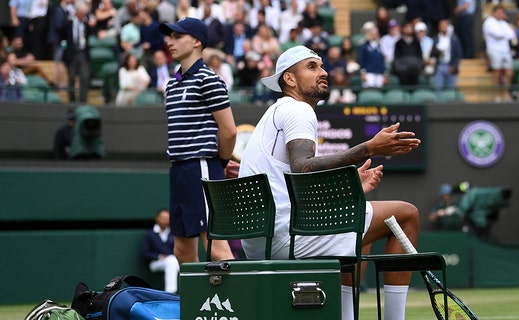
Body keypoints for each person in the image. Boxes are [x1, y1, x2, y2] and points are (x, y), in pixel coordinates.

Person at [238, 45, 422, 320]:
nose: (323, 72)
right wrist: (370, 147)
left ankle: (347, 317)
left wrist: (348, 187)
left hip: (258, 239)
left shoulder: (275, 113)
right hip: (283, 237)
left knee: (361, 226)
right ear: (289, 79)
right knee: (407, 214)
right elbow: (302, 169)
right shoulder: (298, 111)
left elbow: (294, 184)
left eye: (322, 66)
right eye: (312, 67)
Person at [159, 17, 237, 264]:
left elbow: (229, 131)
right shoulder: (172, 83)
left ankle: (238, 303)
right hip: (178, 169)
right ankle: (194, 303)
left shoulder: (209, 79)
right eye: (170, 36)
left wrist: (220, 163)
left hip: (202, 167)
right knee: (181, 251)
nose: (170, 42)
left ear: (196, 41)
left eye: (177, 36)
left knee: (215, 247)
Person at [482, 4, 516, 102]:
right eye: (500, 12)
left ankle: (506, 93)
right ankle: (496, 94)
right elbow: (498, 34)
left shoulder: (503, 23)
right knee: (496, 73)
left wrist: (505, 32)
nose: (502, 14)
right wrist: (506, 32)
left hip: (505, 51)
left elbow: (511, 35)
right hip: (494, 50)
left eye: (502, 12)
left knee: (509, 72)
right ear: (494, 12)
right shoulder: (488, 22)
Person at [141, 208, 180, 294]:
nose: (165, 221)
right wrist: (160, 256)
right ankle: (170, 292)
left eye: (167, 218)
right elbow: (145, 253)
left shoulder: (173, 233)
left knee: (173, 262)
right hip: (155, 263)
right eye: (163, 218)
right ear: (157, 218)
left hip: (172, 261)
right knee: (171, 261)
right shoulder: (150, 234)